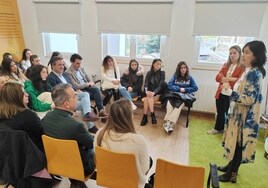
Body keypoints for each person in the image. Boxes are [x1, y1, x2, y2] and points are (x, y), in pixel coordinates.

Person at [217, 41, 266, 183]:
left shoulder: (255, 74)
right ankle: (230, 166)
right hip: (238, 112)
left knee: (239, 144)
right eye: (243, 52)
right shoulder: (248, 70)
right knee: (234, 142)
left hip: (245, 116)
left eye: (247, 52)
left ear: (256, 56)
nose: (243, 55)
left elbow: (249, 99)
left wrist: (228, 91)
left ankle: (232, 173)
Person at [42, 83, 95, 188]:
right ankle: (77, 183)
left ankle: (76, 183)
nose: (76, 97)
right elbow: (91, 144)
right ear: (66, 104)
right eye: (74, 96)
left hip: (56, 163)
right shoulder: (76, 126)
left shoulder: (46, 118)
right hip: (80, 167)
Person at [95, 98, 151, 188]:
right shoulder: (138, 141)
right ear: (129, 117)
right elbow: (144, 169)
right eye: (132, 113)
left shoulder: (100, 134)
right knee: (149, 160)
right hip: (132, 183)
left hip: (109, 179)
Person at [47, 56, 99, 133]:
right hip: (64, 100)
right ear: (53, 66)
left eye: (62, 64)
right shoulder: (51, 78)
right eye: (59, 65)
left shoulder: (64, 74)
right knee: (83, 104)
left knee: (85, 94)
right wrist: (73, 94)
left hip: (72, 95)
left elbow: (72, 86)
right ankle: (90, 125)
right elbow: (57, 94)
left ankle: (88, 114)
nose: (62, 66)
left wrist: (76, 91)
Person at [207, 45, 245, 135]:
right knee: (220, 112)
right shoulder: (226, 64)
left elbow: (239, 80)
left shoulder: (242, 67)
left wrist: (226, 78)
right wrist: (229, 78)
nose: (232, 55)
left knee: (230, 113)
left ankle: (229, 130)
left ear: (240, 54)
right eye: (230, 53)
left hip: (231, 93)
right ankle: (218, 128)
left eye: (234, 53)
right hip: (221, 92)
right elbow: (217, 77)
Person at [0, 82, 44, 151]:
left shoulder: (2, 115)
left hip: (7, 156)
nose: (27, 94)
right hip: (32, 154)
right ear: (15, 97)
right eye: (23, 93)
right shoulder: (28, 115)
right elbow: (43, 134)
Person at [65, 53, 108, 120]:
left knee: (96, 89)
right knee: (94, 94)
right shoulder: (68, 72)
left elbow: (88, 78)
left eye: (80, 63)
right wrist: (87, 84)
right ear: (72, 62)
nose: (79, 65)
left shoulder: (81, 68)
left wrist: (91, 82)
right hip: (80, 89)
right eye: (77, 63)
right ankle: (96, 113)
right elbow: (75, 86)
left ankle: (101, 111)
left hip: (87, 86)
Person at [162, 61, 198, 133]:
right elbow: (169, 85)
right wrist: (179, 89)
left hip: (183, 97)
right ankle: (169, 124)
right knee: (169, 104)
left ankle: (168, 123)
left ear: (186, 69)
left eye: (184, 67)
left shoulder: (190, 77)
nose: (183, 69)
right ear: (179, 69)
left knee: (178, 106)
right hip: (173, 95)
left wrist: (185, 89)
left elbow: (195, 87)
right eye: (181, 68)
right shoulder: (175, 76)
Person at [140, 59, 167, 126]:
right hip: (150, 93)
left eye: (160, 64)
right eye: (157, 64)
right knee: (148, 97)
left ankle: (145, 116)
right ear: (153, 64)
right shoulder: (149, 73)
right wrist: (146, 91)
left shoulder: (162, 73)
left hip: (158, 93)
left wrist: (154, 92)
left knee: (147, 99)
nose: (159, 65)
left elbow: (160, 85)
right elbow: (146, 84)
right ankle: (152, 114)